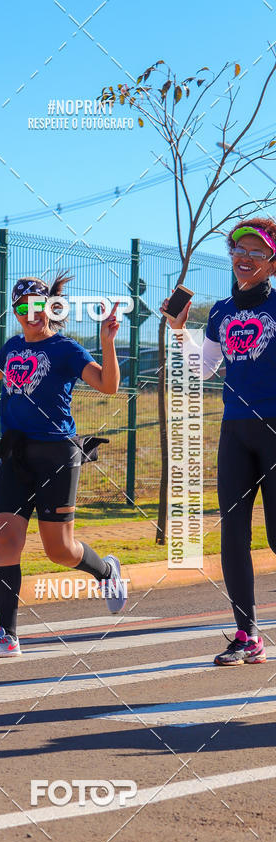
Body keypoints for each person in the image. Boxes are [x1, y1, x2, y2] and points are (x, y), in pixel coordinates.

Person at [0, 272, 126, 659]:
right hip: (16, 455)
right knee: (7, 539)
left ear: (50, 307)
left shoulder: (66, 348)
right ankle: (7, 635)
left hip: (57, 455)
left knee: (60, 550)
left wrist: (107, 343)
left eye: (38, 306)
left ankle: (106, 572)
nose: (30, 314)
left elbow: (108, 385)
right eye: (22, 308)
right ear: (16, 311)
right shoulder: (14, 345)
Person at [162, 216, 276, 666]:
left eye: (256, 253)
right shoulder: (223, 312)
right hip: (235, 431)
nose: (244, 259)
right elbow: (203, 368)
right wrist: (178, 330)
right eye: (238, 251)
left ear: (271, 263)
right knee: (233, 535)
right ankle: (247, 635)